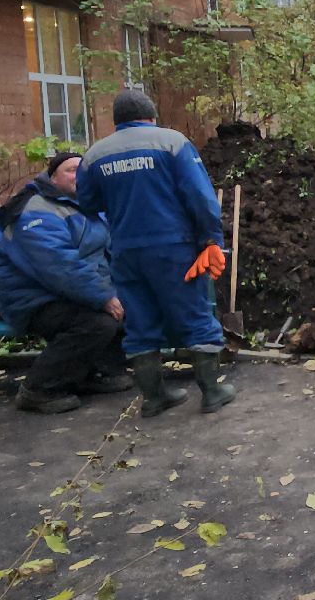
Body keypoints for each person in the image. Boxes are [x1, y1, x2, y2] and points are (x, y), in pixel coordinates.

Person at [77, 92, 234, 416]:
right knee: (194, 314)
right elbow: (200, 197)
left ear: (116, 121)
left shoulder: (95, 155)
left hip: (125, 251)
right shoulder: (172, 143)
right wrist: (211, 239)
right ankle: (212, 392)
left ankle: (154, 397)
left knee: (140, 321)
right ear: (151, 116)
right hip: (173, 248)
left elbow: (89, 203)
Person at [0, 152, 133, 414]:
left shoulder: (87, 206)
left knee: (132, 303)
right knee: (96, 323)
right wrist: (104, 297)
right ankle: (39, 389)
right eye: (70, 170)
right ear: (52, 177)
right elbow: (59, 266)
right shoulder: (37, 210)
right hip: (34, 298)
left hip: (72, 293)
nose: (79, 175)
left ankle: (92, 373)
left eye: (83, 170)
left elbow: (109, 252)